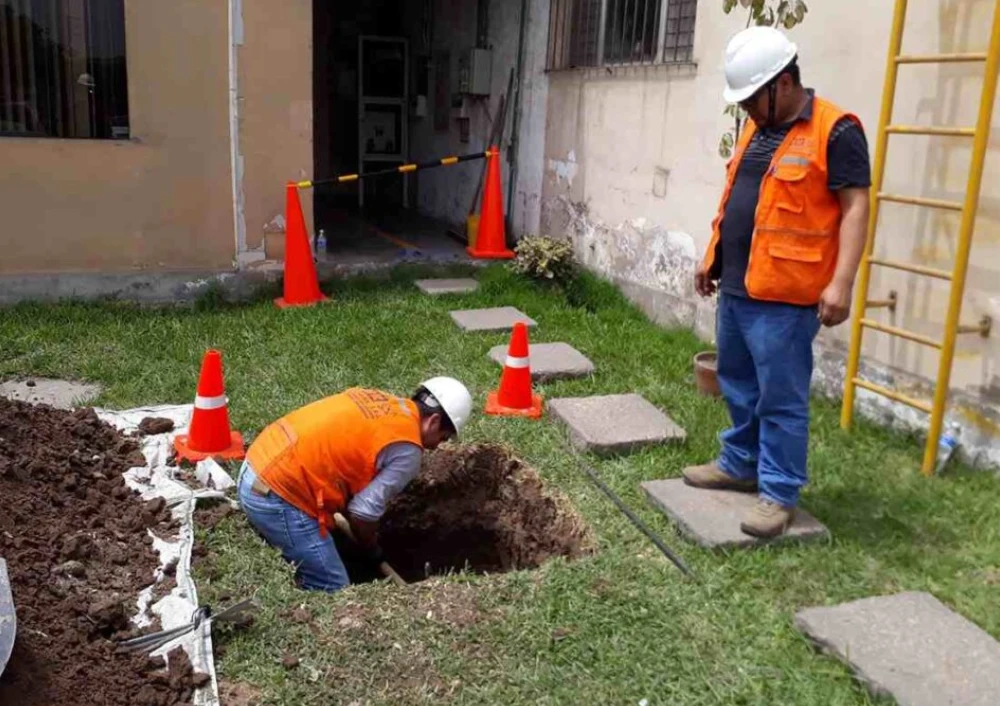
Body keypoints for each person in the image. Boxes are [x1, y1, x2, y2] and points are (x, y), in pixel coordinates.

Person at [686, 26, 871, 538]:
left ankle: (779, 492)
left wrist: (842, 283)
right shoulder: (757, 128)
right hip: (740, 287)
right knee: (738, 383)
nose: (746, 109)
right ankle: (740, 463)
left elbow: (857, 208)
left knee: (780, 398)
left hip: (787, 298)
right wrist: (713, 255)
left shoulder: (836, 131)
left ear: (783, 83)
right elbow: (740, 198)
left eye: (751, 98)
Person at [236, 377, 473, 591]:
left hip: (257, 461)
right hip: (276, 496)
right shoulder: (407, 451)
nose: (437, 446)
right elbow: (362, 513)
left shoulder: (378, 399)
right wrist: (372, 550)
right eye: (442, 438)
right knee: (334, 588)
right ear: (433, 421)